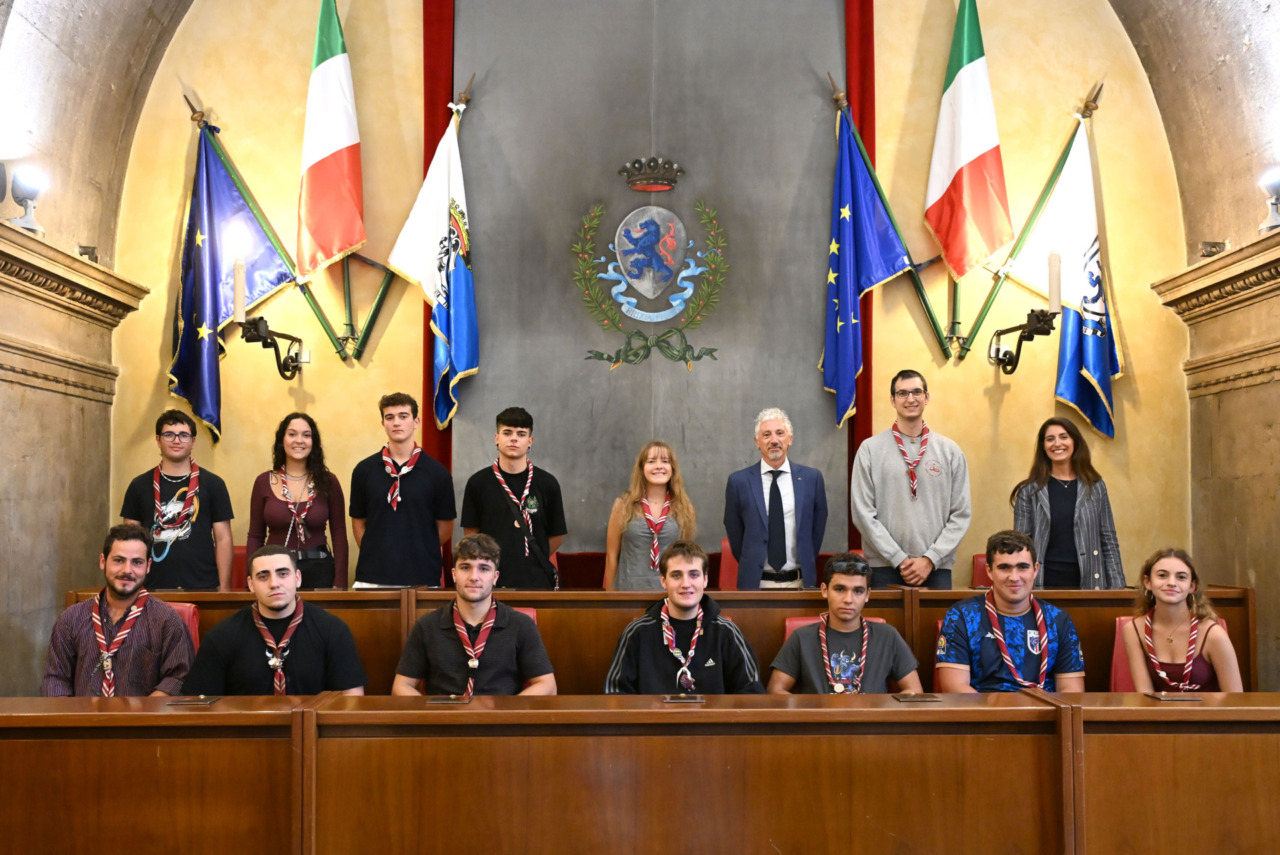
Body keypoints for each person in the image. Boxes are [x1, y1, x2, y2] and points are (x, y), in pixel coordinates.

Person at [182, 546, 367, 695]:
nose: (274, 583)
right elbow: (200, 702)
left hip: (312, 736)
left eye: (283, 574)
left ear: (298, 578)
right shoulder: (221, 636)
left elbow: (351, 698)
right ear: (251, 584)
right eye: (263, 576)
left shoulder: (333, 630)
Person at [392, 534, 556, 697]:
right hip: (444, 719)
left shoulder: (521, 624)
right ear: (454, 574)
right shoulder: (427, 625)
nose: (474, 577)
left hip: (500, 719)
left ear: (495, 577)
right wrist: (432, 717)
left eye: (484, 569)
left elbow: (547, 685)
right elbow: (401, 686)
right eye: (465, 567)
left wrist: (506, 715)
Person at [41, 524, 194, 697]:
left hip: (141, 721)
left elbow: (178, 679)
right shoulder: (71, 619)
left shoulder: (167, 620)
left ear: (148, 566)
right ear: (102, 561)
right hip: (83, 720)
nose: (127, 570)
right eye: (119, 560)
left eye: (137, 562)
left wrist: (138, 719)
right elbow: (55, 680)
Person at [851, 369, 970, 589]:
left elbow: (961, 514)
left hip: (936, 567)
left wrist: (931, 558)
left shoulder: (950, 451)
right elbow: (863, 513)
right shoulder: (870, 450)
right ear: (892, 400)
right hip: (884, 567)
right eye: (902, 393)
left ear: (927, 397)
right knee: (885, 625)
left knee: (934, 625)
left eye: (916, 392)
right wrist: (898, 558)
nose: (910, 399)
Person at [605, 540, 765, 694]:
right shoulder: (637, 632)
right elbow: (616, 693)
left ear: (706, 579)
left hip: (711, 722)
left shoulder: (726, 632)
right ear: (663, 580)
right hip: (653, 722)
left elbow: (752, 692)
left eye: (694, 575)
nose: (686, 584)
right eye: (676, 575)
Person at [936, 530, 1085, 693]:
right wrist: (999, 716)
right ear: (989, 571)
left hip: (1045, 713)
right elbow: (955, 688)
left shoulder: (1058, 619)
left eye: (1022, 567)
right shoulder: (962, 615)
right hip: (984, 712)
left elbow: (1072, 691)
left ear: (1035, 570)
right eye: (1004, 567)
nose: (1014, 577)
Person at [768, 552, 922, 695]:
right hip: (819, 722)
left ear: (867, 595)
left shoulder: (888, 635)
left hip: (872, 722)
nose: (848, 599)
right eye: (840, 589)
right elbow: (775, 691)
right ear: (824, 590)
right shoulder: (802, 637)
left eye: (858, 591)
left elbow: (914, 690)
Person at [348, 393, 456, 587]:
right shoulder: (364, 470)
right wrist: (377, 551)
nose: (396, 422)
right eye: (390, 417)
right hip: (372, 575)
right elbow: (358, 522)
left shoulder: (438, 473)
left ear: (416, 421)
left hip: (422, 575)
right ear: (383, 423)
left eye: (403, 416)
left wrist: (420, 548)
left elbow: (446, 528)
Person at [120, 409, 234, 590]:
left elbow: (223, 539)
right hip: (151, 587)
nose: (176, 440)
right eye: (169, 434)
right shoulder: (139, 485)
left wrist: (225, 587)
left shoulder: (214, 484)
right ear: (158, 440)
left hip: (203, 586)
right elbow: (128, 540)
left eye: (183, 435)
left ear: (193, 441)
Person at [1010, 416, 1124, 589]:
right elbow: (1020, 546)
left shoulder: (1095, 486)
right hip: (1043, 582)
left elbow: (1108, 539)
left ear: (1075, 442)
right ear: (1043, 447)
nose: (1057, 443)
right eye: (1050, 439)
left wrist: (1117, 588)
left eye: (1064, 437)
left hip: (1089, 581)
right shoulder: (1029, 490)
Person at [460, 407, 567, 589]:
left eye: (521, 434)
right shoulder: (478, 483)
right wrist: (489, 561)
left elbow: (557, 535)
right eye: (507, 432)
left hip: (536, 580)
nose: (514, 439)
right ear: (497, 438)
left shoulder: (547, 483)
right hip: (492, 580)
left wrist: (533, 557)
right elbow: (472, 534)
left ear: (530, 441)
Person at [724, 408, 828, 589]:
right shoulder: (739, 482)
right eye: (766, 435)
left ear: (790, 439)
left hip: (801, 583)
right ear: (757, 442)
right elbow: (735, 534)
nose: (774, 440)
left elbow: (816, 531)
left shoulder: (812, 479)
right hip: (755, 585)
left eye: (780, 433)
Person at [246, 412, 349, 589]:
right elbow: (255, 536)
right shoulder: (263, 481)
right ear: (282, 440)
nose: (299, 440)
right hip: (275, 573)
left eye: (306, 435)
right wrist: (252, 578)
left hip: (320, 570)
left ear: (313, 442)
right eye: (292, 434)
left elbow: (339, 534)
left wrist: (340, 583)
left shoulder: (328, 481)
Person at [1122, 548, 1243, 693]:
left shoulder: (1214, 634)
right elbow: (1144, 695)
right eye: (1162, 575)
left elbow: (1235, 699)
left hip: (1208, 714)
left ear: (1192, 586)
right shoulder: (1133, 629)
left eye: (1181, 577)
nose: (1172, 583)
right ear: (1148, 582)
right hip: (1157, 714)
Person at [604, 440, 697, 591]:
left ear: (672, 468)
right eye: (651, 461)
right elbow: (611, 557)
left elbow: (687, 558)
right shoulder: (623, 505)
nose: (659, 466)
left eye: (665, 461)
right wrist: (609, 599)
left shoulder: (684, 507)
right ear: (642, 468)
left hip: (669, 593)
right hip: (628, 591)